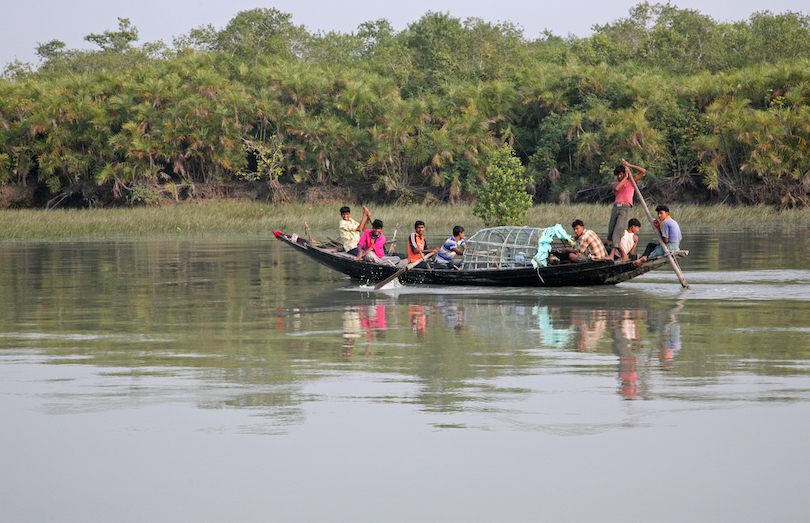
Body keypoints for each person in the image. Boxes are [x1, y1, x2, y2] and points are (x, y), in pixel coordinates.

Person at [606, 159, 645, 250]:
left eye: (621, 174)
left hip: (625, 207)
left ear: (624, 173)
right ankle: (608, 247)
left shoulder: (631, 182)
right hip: (616, 207)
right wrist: (625, 177)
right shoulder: (614, 184)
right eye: (617, 175)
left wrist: (629, 165)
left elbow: (643, 171)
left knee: (618, 229)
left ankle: (614, 250)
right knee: (611, 229)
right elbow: (617, 189)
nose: (619, 176)